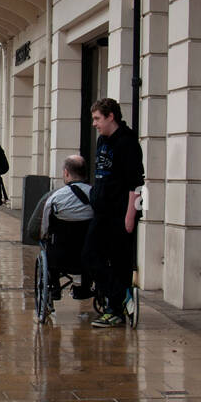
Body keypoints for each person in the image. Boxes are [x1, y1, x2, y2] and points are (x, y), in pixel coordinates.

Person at [83, 98, 145, 327]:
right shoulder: (102, 141)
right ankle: (121, 297)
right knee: (90, 257)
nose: (94, 124)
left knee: (119, 263)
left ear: (111, 117)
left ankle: (115, 309)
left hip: (120, 213)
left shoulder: (127, 143)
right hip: (101, 211)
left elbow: (136, 184)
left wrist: (130, 217)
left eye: (97, 118)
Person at [26, 154, 95, 300]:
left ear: (66, 173)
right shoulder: (95, 195)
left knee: (48, 244)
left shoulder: (55, 197)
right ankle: (84, 286)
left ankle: (54, 286)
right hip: (89, 254)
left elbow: (41, 228)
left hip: (60, 256)